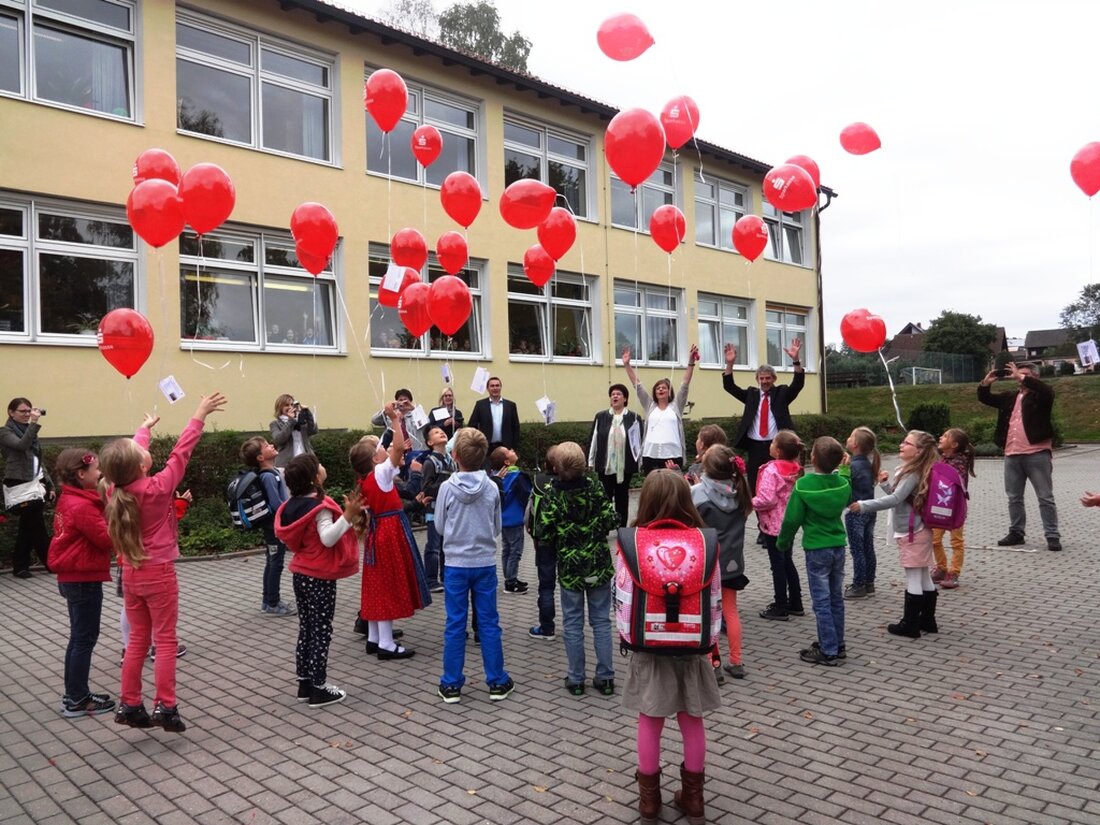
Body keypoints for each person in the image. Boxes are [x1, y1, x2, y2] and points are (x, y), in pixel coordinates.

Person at [101, 392, 227, 733]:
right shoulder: (157, 487)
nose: (144, 448)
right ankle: (165, 707)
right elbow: (182, 451)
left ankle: (129, 704)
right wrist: (199, 413)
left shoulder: (116, 490)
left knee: (138, 639)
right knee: (166, 640)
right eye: (141, 450)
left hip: (130, 572)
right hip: (159, 573)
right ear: (142, 465)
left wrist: (143, 430)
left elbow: (126, 459)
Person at [622, 469, 721, 825]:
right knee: (691, 718)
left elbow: (623, 596)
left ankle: (649, 800)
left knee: (650, 718)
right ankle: (693, 798)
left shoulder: (632, 542)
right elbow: (714, 597)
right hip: (692, 643)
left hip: (649, 643)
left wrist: (626, 635)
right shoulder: (705, 541)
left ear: (645, 500)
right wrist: (711, 641)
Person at [434, 428, 515, 703]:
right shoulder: (492, 486)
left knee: (455, 623)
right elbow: (496, 526)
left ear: (454, 456)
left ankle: (451, 684)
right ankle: (497, 680)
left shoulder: (446, 488)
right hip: (484, 563)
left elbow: (440, 526)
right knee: (489, 623)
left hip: (455, 564)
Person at [274, 453, 361, 707]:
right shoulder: (318, 507)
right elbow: (328, 539)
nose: (322, 466)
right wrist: (347, 516)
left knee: (307, 629)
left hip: (300, 573)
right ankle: (319, 688)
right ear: (315, 478)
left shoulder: (292, 505)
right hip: (319, 576)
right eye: (319, 465)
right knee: (321, 631)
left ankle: (304, 683)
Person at [536, 442, 619, 696]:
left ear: (556, 467)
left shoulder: (552, 492)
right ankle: (605, 678)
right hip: (598, 564)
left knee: (572, 623)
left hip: (570, 568)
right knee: (602, 621)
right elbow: (611, 519)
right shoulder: (595, 487)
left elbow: (544, 530)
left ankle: (576, 679)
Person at [350, 404, 431, 660]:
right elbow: (398, 446)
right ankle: (386, 644)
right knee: (387, 585)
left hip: (378, 532)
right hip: (390, 532)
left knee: (377, 584)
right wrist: (396, 420)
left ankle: (375, 638)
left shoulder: (365, 479)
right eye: (379, 450)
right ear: (375, 459)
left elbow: (392, 448)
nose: (384, 450)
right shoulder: (381, 475)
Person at [850, 430, 942, 640]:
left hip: (912, 532)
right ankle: (928, 620)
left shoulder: (913, 473)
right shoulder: (917, 470)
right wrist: (884, 484)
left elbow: (895, 499)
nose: (901, 445)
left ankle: (909, 624)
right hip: (920, 529)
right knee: (924, 574)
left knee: (913, 577)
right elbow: (900, 497)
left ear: (918, 451)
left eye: (907, 443)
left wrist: (864, 505)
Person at [49, 449, 116, 718]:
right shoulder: (82, 506)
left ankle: (75, 693)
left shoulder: (74, 499)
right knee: (83, 639)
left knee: (79, 637)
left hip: (75, 578)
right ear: (81, 474)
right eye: (97, 470)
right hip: (82, 580)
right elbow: (107, 540)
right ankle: (77, 698)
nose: (101, 474)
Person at [777, 436, 851, 666]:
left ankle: (827, 650)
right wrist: (845, 470)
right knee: (836, 597)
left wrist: (782, 542)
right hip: (838, 546)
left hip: (816, 549)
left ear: (813, 458)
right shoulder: (842, 483)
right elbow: (847, 488)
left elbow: (791, 520)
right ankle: (838, 644)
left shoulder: (803, 485)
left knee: (821, 601)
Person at [978, 363, 1061, 551]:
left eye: (1023, 375)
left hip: (1036, 453)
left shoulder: (1041, 396)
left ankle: (1052, 535)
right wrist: (986, 382)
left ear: (1034, 377)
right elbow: (986, 398)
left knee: (1045, 497)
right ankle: (1017, 532)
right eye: (1016, 374)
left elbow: (1047, 390)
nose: (1017, 377)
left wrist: (1021, 376)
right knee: (1014, 497)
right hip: (1012, 453)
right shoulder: (1010, 397)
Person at [690, 446, 752, 681]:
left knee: (708, 614)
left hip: (706, 563)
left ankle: (713, 664)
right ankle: (736, 661)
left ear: (706, 468)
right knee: (730, 611)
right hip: (733, 563)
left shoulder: (697, 494)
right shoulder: (741, 493)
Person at [722, 340, 805, 494]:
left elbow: (798, 384)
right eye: (762, 378)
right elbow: (730, 387)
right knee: (755, 485)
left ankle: (778, 515)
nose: (765, 381)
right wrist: (730, 364)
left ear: (774, 379)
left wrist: (795, 360)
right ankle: (761, 518)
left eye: (768, 378)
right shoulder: (751, 395)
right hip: (755, 447)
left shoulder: (781, 393)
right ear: (757, 380)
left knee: (778, 484)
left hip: (777, 447)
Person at [751, 430, 805, 621]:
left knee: (778, 566)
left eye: (773, 442)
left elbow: (767, 499)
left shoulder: (771, 470)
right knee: (787, 561)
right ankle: (796, 602)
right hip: (789, 523)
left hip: (773, 525)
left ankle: (780, 605)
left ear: (779, 451)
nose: (770, 444)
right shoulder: (796, 468)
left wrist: (749, 503)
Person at [623, 345, 699, 474]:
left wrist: (691, 363)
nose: (661, 389)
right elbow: (637, 385)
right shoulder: (649, 405)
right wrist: (627, 365)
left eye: (664, 387)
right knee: (653, 490)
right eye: (658, 388)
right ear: (654, 392)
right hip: (650, 455)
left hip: (672, 455)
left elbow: (685, 384)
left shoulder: (676, 406)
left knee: (672, 490)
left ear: (669, 391)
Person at [240, 437, 294, 616]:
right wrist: (289, 517)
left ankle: (267, 600)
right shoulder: (268, 476)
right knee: (275, 563)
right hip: (274, 527)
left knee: (272, 561)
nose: (272, 445)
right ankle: (273, 603)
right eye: (266, 446)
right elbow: (276, 503)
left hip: (272, 527)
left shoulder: (272, 473)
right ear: (260, 458)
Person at [1, 397, 54, 577]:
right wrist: (34, 423)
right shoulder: (5, 432)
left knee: (28, 525)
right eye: (23, 411)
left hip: (35, 482)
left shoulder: (30, 432)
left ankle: (20, 566)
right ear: (11, 413)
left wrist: (49, 484)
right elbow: (21, 445)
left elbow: (37, 459)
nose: (27, 414)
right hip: (19, 483)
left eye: (29, 411)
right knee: (36, 526)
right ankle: (51, 563)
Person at [587, 384, 642, 527]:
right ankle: (604, 526)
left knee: (622, 497)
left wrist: (639, 462)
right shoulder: (601, 416)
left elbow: (638, 442)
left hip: (625, 466)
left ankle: (621, 526)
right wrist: (590, 460)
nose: (615, 396)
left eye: (618, 394)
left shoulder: (634, 418)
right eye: (612, 394)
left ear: (625, 399)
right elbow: (594, 438)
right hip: (605, 465)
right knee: (604, 497)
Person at [931, 428, 976, 590]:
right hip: (939, 506)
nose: (940, 437)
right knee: (934, 539)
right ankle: (941, 568)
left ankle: (954, 572)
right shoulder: (941, 459)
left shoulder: (959, 463)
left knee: (956, 541)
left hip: (955, 508)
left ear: (954, 444)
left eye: (945, 436)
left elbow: (952, 482)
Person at [842, 426, 881, 600]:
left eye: (851, 436)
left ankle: (858, 586)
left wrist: (842, 470)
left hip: (856, 511)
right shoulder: (867, 463)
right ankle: (869, 582)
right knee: (868, 547)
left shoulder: (853, 466)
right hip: (870, 510)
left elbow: (845, 489)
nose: (848, 439)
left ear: (856, 444)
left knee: (857, 550)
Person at [526, 446, 560, 640]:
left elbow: (530, 512)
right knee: (570, 588)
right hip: (569, 541)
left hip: (544, 540)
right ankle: (574, 627)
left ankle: (547, 628)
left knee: (546, 586)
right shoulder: (577, 482)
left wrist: (532, 533)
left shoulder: (539, 482)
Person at [491, 446, 533, 595]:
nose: (513, 449)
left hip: (503, 519)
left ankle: (510, 577)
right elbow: (527, 495)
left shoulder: (497, 477)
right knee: (515, 551)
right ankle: (511, 582)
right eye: (509, 451)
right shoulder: (517, 476)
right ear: (507, 462)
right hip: (515, 519)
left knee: (506, 550)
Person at [418, 424, 454, 594]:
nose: (441, 433)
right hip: (434, 511)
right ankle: (431, 579)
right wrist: (449, 482)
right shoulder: (430, 462)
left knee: (446, 546)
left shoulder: (452, 461)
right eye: (436, 433)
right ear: (430, 442)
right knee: (433, 546)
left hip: (450, 510)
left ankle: (446, 577)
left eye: (442, 431)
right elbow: (427, 488)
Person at [467, 377, 521, 453]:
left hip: (506, 448)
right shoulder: (480, 405)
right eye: (492, 386)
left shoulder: (510, 406)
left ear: (500, 387)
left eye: (497, 385)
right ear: (487, 388)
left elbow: (516, 428)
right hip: (486, 448)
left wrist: (513, 447)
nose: (495, 388)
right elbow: (472, 426)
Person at [270, 394, 317, 470]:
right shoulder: (275, 424)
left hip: (306, 459)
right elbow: (279, 440)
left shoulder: (300, 419)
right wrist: (291, 421)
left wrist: (307, 413)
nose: (290, 407)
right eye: (286, 405)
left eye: (292, 404)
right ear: (280, 407)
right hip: (285, 463)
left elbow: (313, 430)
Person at [373, 389, 427, 454]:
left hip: (416, 451)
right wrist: (388, 409)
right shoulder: (392, 416)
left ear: (410, 401)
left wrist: (413, 409)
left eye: (405, 400)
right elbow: (374, 420)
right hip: (398, 452)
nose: (402, 403)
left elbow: (426, 425)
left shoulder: (415, 415)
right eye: (400, 400)